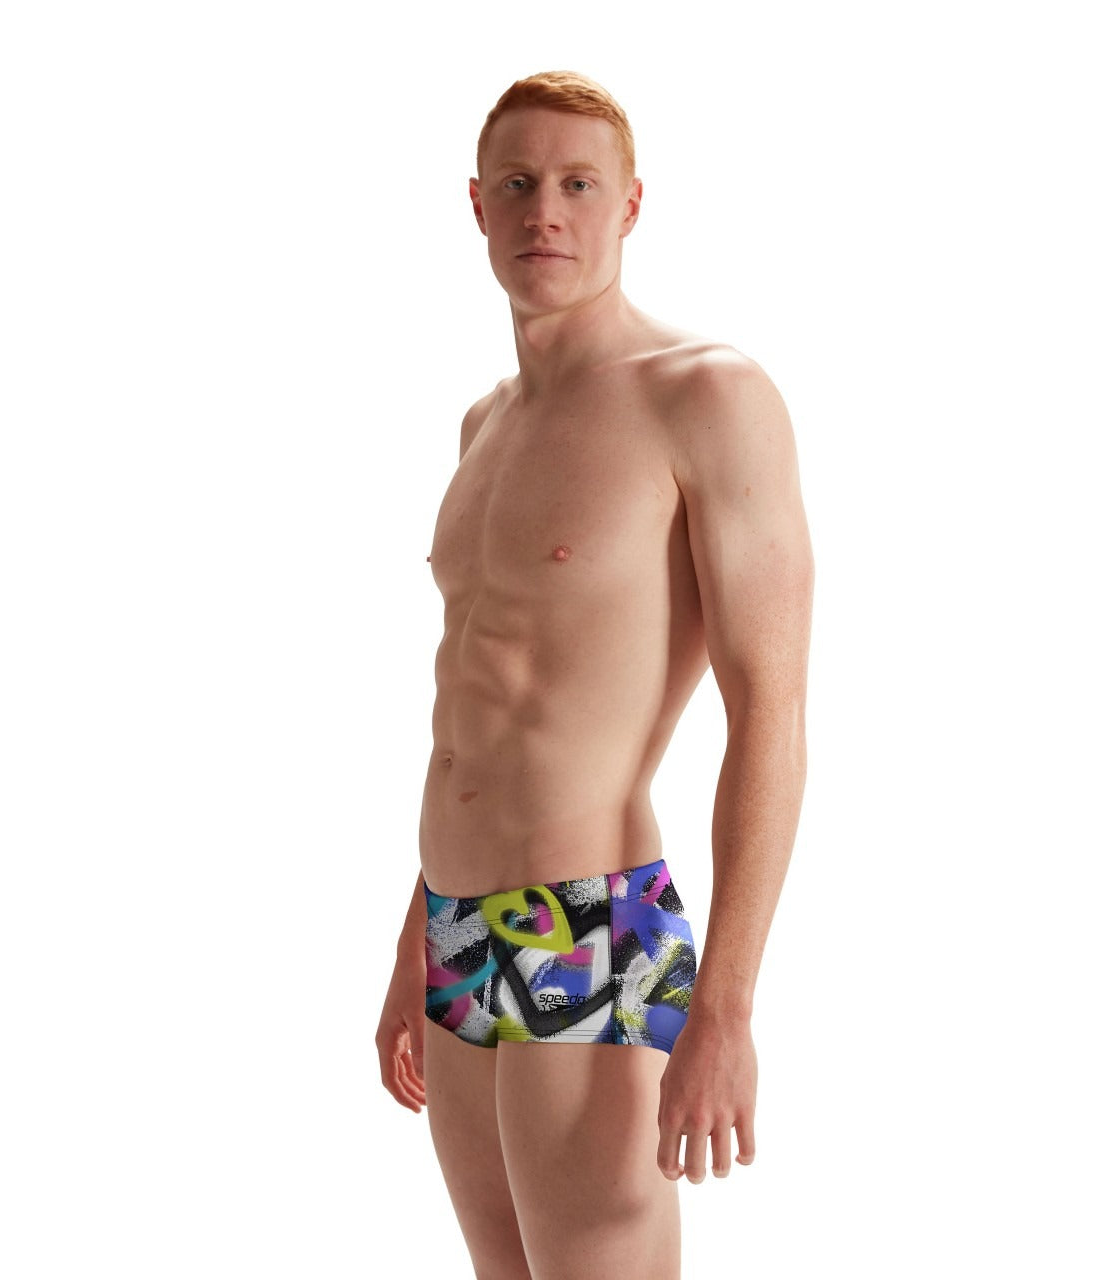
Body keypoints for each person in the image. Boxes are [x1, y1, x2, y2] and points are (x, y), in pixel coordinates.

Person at [375, 70, 814, 1279]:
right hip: (459, 928)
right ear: (477, 205)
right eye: (517, 183)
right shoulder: (484, 427)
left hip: (593, 925)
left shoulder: (706, 395)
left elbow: (769, 711)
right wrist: (416, 938)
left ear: (630, 205)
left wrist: (724, 1005)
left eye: (577, 184)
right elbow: (480, 711)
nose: (545, 212)